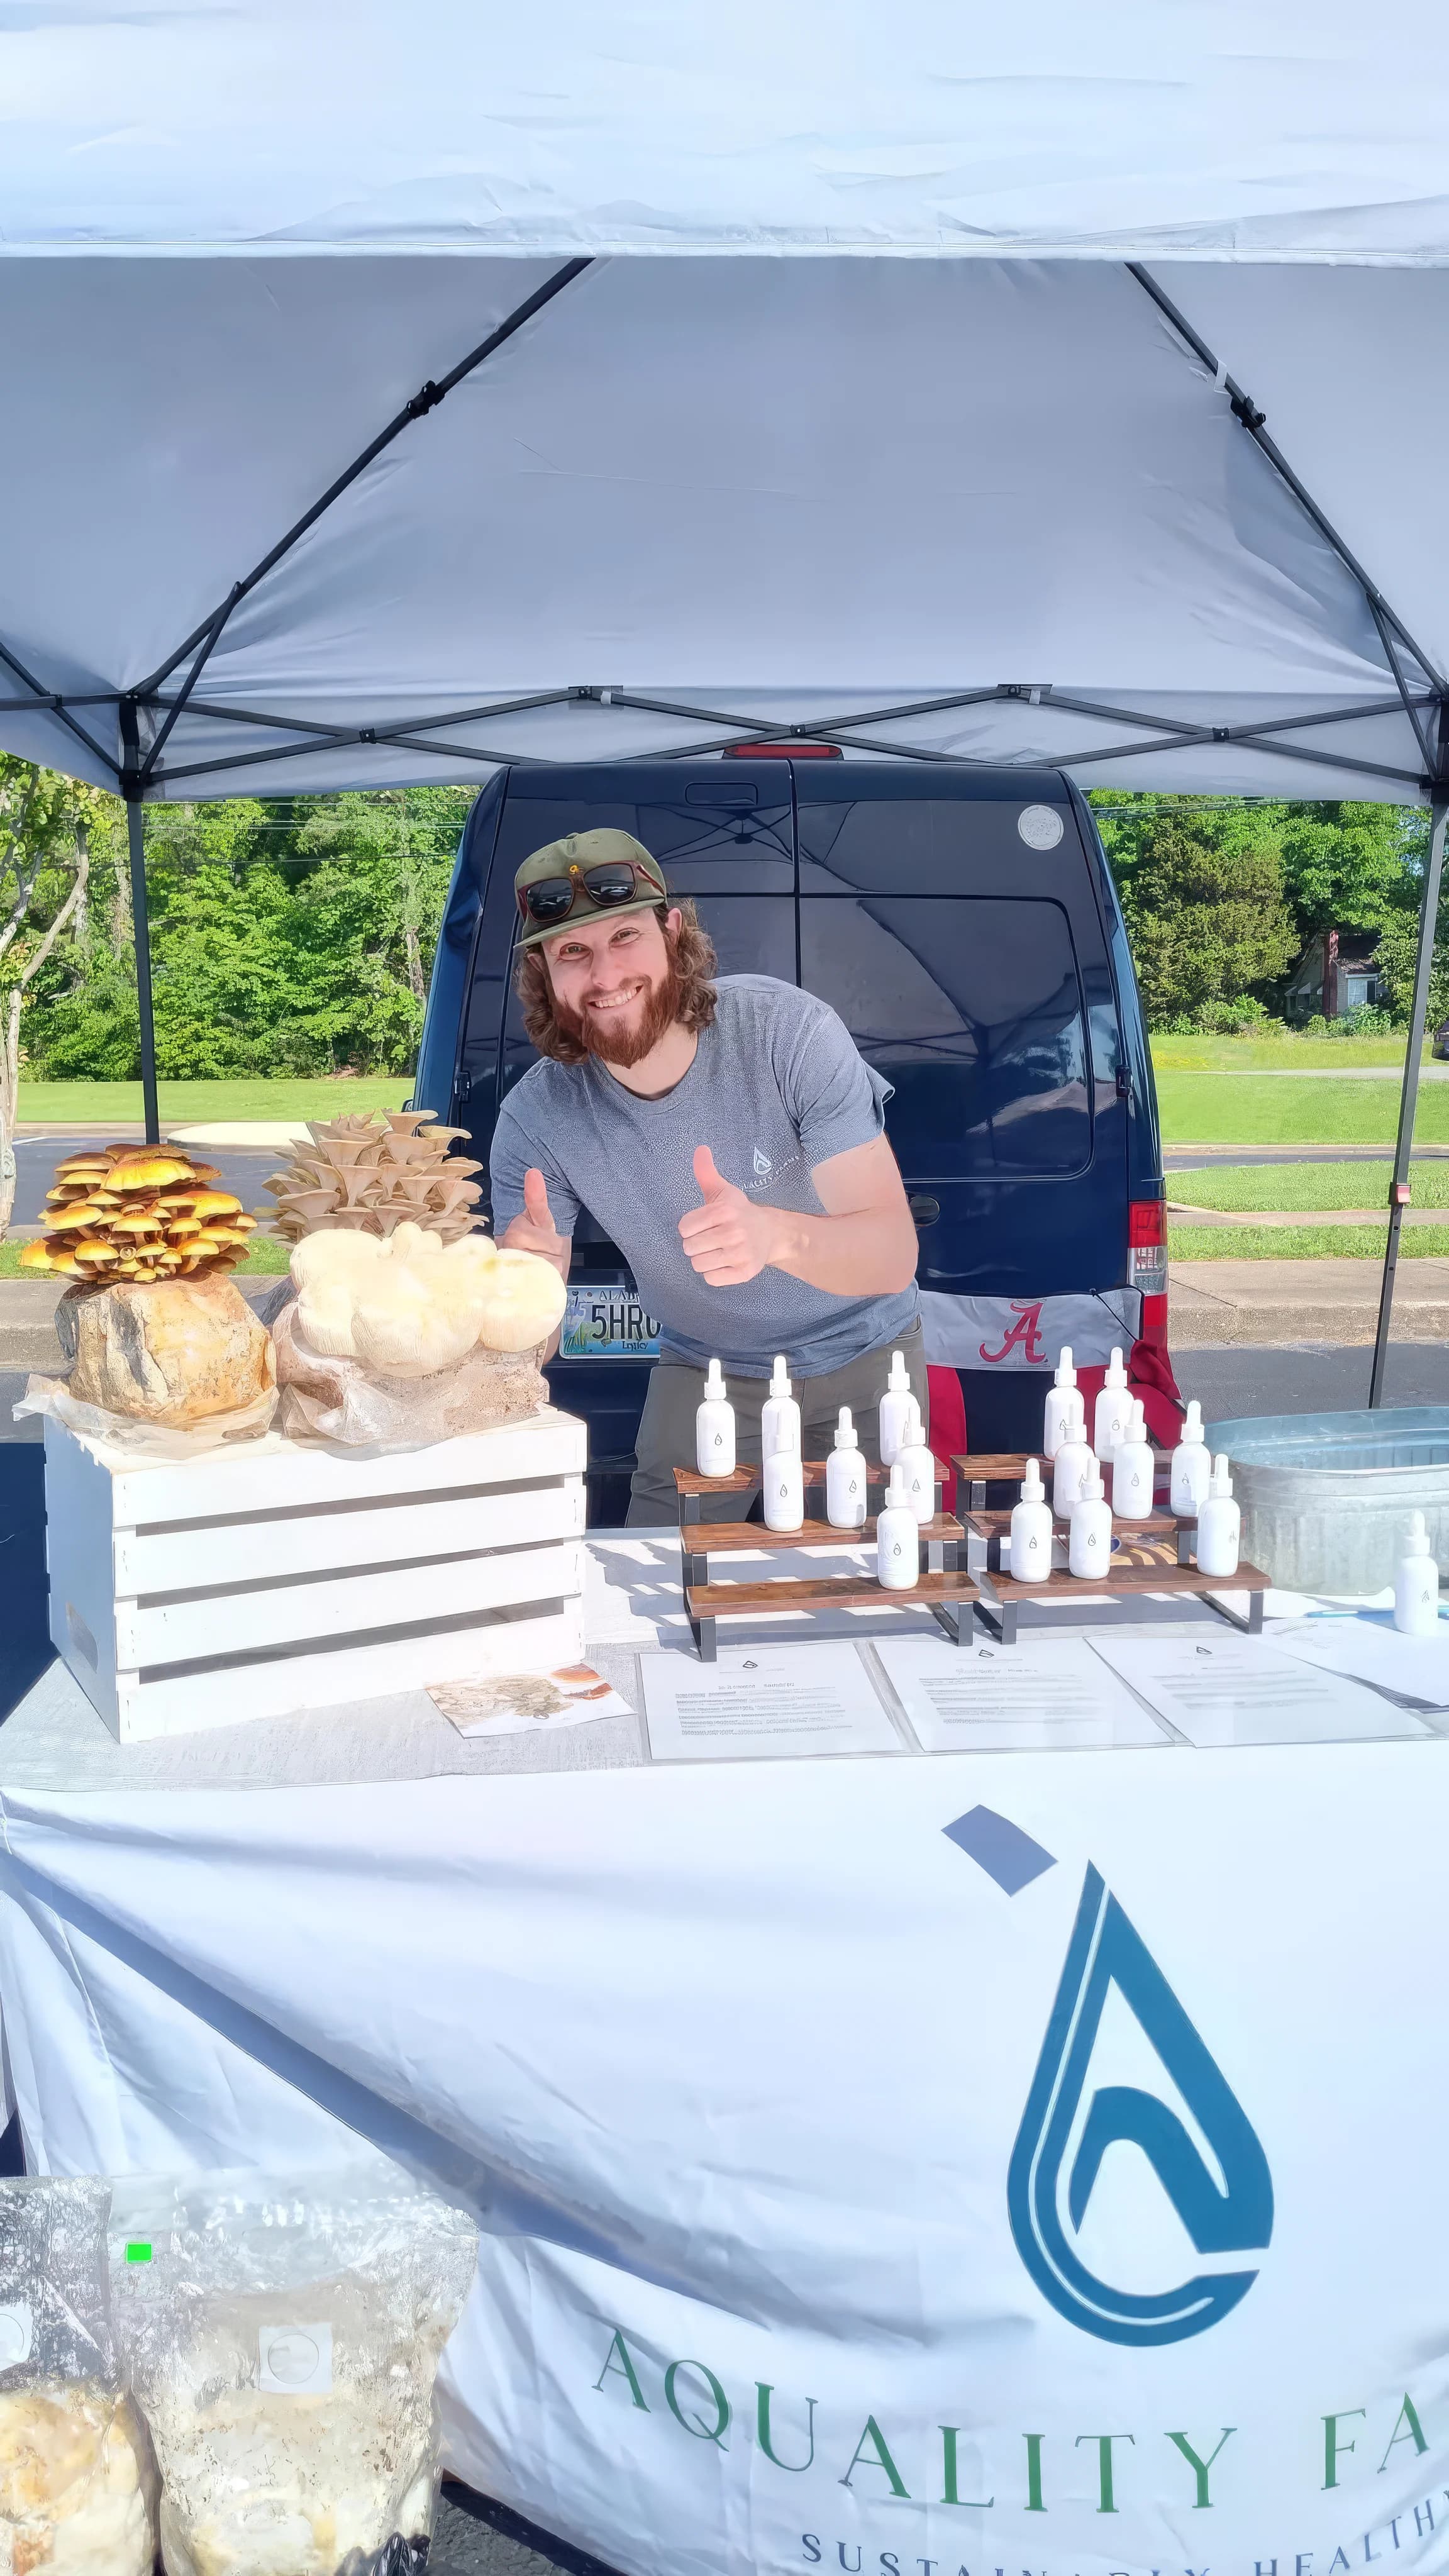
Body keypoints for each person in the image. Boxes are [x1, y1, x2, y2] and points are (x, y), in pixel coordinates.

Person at [490, 827, 926, 1522]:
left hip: (866, 1353)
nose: (603, 976)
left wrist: (775, 1237)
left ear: (671, 931)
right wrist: (517, 1306)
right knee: (659, 1581)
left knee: (881, 1579)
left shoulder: (788, 1033)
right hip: (704, 1367)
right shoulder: (538, 1115)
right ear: (545, 972)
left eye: (624, 936)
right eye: (573, 951)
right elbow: (528, 1352)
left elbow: (892, 1254)